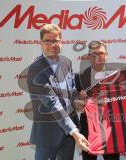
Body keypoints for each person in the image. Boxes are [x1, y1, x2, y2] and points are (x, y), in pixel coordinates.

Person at [27, 24, 90, 160]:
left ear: (61, 42)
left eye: (55, 40)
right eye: (47, 41)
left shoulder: (66, 62)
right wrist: (74, 132)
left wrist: (78, 101)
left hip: (69, 133)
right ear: (41, 43)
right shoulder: (36, 69)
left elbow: (71, 90)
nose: (52, 45)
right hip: (48, 134)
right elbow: (52, 104)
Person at [75, 41, 120, 160]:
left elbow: (122, 102)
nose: (97, 56)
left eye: (100, 53)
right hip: (88, 128)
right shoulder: (79, 77)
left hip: (111, 128)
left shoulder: (117, 76)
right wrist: (81, 101)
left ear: (106, 55)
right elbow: (76, 106)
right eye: (93, 54)